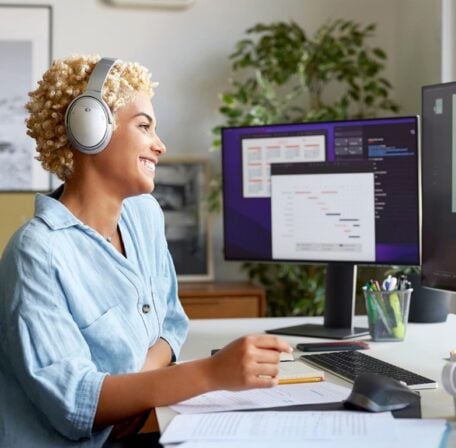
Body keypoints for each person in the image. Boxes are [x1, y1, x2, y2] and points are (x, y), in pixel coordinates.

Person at [0, 55, 292, 447]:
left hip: (140, 428)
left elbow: (171, 324)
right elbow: (74, 405)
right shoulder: (37, 254)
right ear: (91, 128)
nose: (160, 144)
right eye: (144, 126)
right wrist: (211, 373)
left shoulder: (143, 214)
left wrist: (133, 385)